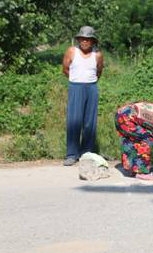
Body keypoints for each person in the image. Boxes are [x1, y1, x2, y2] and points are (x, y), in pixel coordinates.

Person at [62, 26, 104, 166]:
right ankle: (72, 154)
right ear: (78, 39)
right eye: (82, 38)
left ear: (93, 41)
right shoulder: (72, 51)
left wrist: (89, 82)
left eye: (88, 39)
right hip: (76, 87)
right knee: (74, 121)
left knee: (89, 123)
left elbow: (99, 71)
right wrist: (76, 80)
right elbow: (65, 69)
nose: (85, 41)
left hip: (91, 88)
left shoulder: (97, 54)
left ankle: (86, 153)